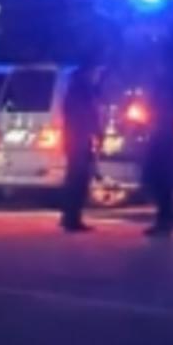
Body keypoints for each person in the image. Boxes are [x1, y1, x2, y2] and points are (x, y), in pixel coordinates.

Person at [142, 69, 173, 237]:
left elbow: (168, 115)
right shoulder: (171, 90)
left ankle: (165, 221)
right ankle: (165, 220)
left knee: (162, 182)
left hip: (164, 139)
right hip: (163, 137)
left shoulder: (167, 91)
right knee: (161, 181)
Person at [59, 67, 101, 233]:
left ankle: (69, 216)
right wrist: (97, 132)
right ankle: (72, 218)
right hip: (79, 140)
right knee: (78, 179)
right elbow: (90, 115)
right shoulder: (83, 92)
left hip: (74, 139)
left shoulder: (73, 92)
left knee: (74, 178)